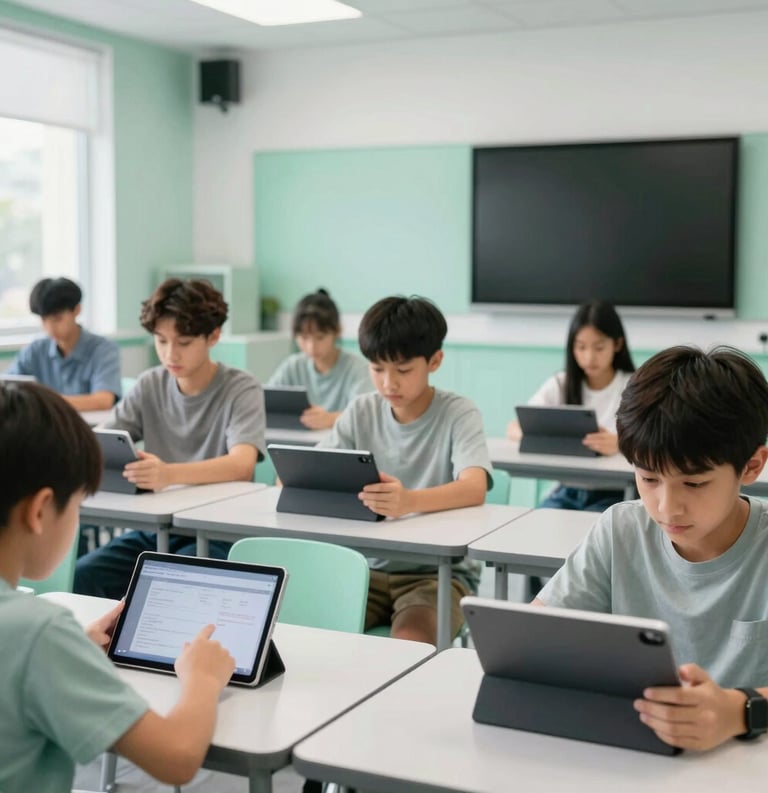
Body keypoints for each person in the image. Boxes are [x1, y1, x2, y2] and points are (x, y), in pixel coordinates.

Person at [0, 381, 236, 793]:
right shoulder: (38, 632)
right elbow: (177, 758)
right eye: (77, 505)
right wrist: (202, 679)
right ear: (39, 511)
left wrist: (77, 650)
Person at [535, 346, 768, 751]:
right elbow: (536, 639)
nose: (666, 506)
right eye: (648, 478)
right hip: (633, 752)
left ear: (751, 466)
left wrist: (737, 710)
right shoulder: (620, 529)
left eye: (693, 484)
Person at [74, 278, 265, 599]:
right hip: (154, 530)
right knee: (85, 577)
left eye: (184, 342)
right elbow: (103, 441)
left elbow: (242, 464)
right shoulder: (150, 384)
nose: (170, 354)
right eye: (161, 341)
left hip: (218, 533)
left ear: (213, 336)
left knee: (170, 589)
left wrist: (168, 475)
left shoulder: (241, 388)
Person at [319, 295, 492, 645]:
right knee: (313, 635)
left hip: (435, 575)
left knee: (407, 648)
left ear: (435, 361)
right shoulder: (360, 411)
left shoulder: (459, 413)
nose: (388, 383)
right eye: (377, 369)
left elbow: (475, 487)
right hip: (362, 570)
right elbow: (318, 471)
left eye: (403, 370)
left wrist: (408, 500)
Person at [506, 299, 635, 512]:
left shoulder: (634, 385)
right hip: (567, 491)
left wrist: (621, 444)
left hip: (615, 493)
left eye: (599, 347)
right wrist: (545, 438)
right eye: (581, 347)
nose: (589, 357)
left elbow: (657, 440)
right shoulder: (561, 383)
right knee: (535, 531)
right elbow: (514, 427)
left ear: (617, 344)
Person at [5, 276, 121, 411]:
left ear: (76, 310)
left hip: (88, 429)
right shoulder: (34, 351)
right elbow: (6, 389)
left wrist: (44, 402)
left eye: (57, 319)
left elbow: (103, 401)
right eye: (44, 320)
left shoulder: (103, 350)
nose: (50, 328)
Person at [267, 288, 370, 429]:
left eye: (320, 337)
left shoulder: (357, 368)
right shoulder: (292, 366)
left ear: (337, 331)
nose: (311, 347)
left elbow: (365, 415)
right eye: (304, 338)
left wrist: (331, 418)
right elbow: (266, 404)